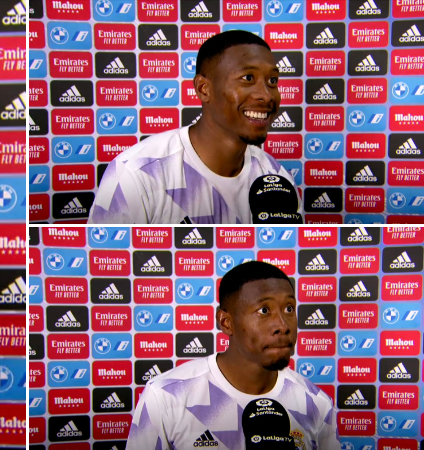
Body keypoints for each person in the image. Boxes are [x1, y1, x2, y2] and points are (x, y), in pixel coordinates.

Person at [88, 30, 299, 224]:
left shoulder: (276, 178)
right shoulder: (135, 174)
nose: (266, 95)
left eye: (273, 80)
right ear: (203, 89)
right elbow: (105, 261)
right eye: (248, 78)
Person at [127, 261, 339, 449]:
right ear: (226, 322)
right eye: (264, 311)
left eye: (289, 309)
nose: (282, 326)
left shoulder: (317, 404)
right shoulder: (166, 396)